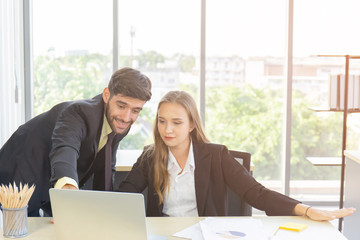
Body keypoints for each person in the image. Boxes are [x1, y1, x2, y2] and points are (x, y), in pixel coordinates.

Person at [118, 90, 355, 220]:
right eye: (162, 121)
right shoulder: (151, 156)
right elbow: (125, 197)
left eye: (177, 123)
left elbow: (256, 193)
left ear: (191, 125)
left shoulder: (216, 155)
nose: (167, 130)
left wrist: (305, 209)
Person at [0, 67, 152, 216]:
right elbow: (65, 149)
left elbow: (105, 165)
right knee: (23, 231)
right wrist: (68, 189)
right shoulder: (79, 112)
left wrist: (106, 209)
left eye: (135, 110)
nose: (126, 117)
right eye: (121, 106)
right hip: (22, 171)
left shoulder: (119, 122)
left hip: (51, 179)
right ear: (106, 95)